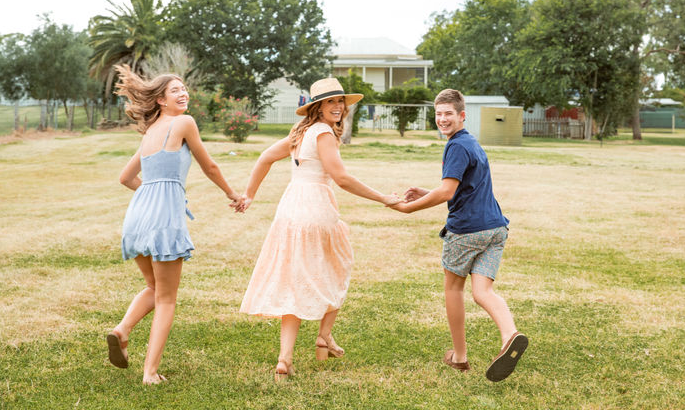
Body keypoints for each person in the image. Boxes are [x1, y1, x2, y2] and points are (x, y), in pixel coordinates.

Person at [237, 77, 400, 381]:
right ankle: (323, 336)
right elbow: (341, 178)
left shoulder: (301, 133)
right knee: (339, 266)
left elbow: (265, 157)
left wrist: (250, 195)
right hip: (315, 208)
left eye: (340, 101)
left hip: (290, 210)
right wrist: (383, 198)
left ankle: (285, 359)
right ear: (318, 107)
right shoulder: (323, 133)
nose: (338, 107)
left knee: (294, 281)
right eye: (331, 102)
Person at [107, 65, 241, 385]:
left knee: (154, 287)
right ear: (160, 100)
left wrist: (152, 195)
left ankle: (122, 331)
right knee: (167, 297)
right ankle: (150, 372)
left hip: (137, 219)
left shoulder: (150, 132)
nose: (183, 93)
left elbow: (126, 178)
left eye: (184, 88)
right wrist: (232, 194)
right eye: (175, 90)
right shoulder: (184, 123)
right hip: (164, 220)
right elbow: (209, 165)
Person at [388, 89, 527, 382]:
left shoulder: (456, 147)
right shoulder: (471, 143)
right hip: (495, 229)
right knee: (483, 292)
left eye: (448, 114)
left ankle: (460, 357)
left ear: (462, 115)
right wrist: (427, 192)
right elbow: (463, 189)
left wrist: (408, 208)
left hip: (467, 231)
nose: (442, 119)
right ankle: (509, 336)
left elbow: (447, 192)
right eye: (438, 114)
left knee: (453, 289)